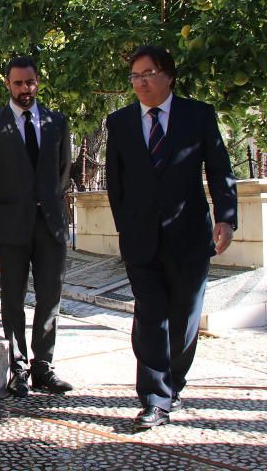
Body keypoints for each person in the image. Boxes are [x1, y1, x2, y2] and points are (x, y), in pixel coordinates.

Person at [105, 45, 237, 431]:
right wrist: (125, 226)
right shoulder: (120, 122)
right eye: (134, 76)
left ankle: (173, 381)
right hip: (140, 238)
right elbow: (116, 181)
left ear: (168, 75)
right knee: (150, 316)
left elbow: (219, 169)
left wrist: (226, 219)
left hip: (190, 235)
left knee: (184, 317)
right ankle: (154, 397)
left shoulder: (198, 116)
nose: (140, 82)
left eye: (147, 73)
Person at [0, 56, 74, 398]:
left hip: (50, 227)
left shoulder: (58, 122)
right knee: (12, 298)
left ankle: (43, 366)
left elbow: (62, 173)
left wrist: (50, 207)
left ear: (37, 82)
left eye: (29, 82)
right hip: (12, 228)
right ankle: (17, 369)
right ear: (7, 84)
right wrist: (1, 215)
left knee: (50, 296)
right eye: (17, 83)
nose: (24, 89)